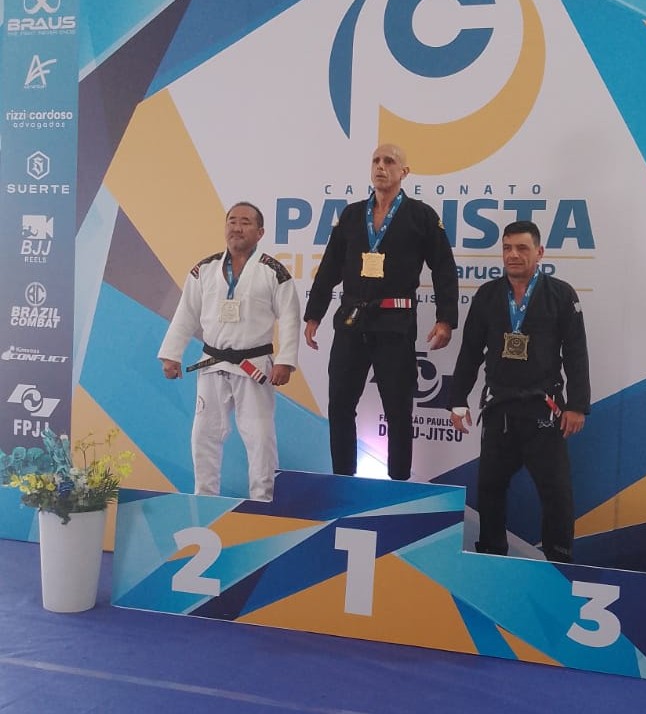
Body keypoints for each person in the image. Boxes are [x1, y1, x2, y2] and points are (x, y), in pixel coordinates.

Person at [304, 143, 458, 481]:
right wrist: (314, 314)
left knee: (398, 409)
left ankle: (399, 483)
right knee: (340, 405)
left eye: (389, 161)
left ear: (404, 172)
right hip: (351, 322)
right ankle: (343, 481)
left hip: (395, 324)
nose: (381, 166)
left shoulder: (421, 216)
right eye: (376, 160)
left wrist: (445, 319)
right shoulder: (351, 215)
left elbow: (444, 269)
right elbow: (329, 268)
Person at [448, 220, 590, 563]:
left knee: (556, 492)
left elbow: (576, 352)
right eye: (507, 248)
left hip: (544, 408)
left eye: (522, 248)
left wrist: (577, 405)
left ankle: (559, 561)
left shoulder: (561, 295)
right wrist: (457, 400)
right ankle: (490, 554)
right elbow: (470, 351)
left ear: (539, 253)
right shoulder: (487, 295)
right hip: (500, 407)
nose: (513, 254)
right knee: (490, 488)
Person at [158, 202, 300, 501]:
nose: (237, 227)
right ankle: (204, 499)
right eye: (232, 221)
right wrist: (172, 354)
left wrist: (285, 361)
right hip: (213, 363)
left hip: (255, 365)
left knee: (260, 437)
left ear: (260, 232)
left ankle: (262, 501)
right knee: (204, 435)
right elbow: (186, 314)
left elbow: (290, 317)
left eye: (245, 222)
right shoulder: (204, 269)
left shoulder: (273, 271)